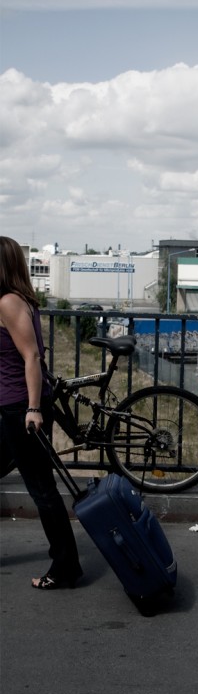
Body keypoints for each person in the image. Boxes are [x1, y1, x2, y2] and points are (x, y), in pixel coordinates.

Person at [0, 236, 82, 589]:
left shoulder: (9, 302)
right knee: (41, 487)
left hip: (22, 408)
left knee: (42, 489)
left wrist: (33, 409)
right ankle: (66, 562)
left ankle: (66, 566)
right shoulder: (16, 300)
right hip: (13, 406)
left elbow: (32, 357)